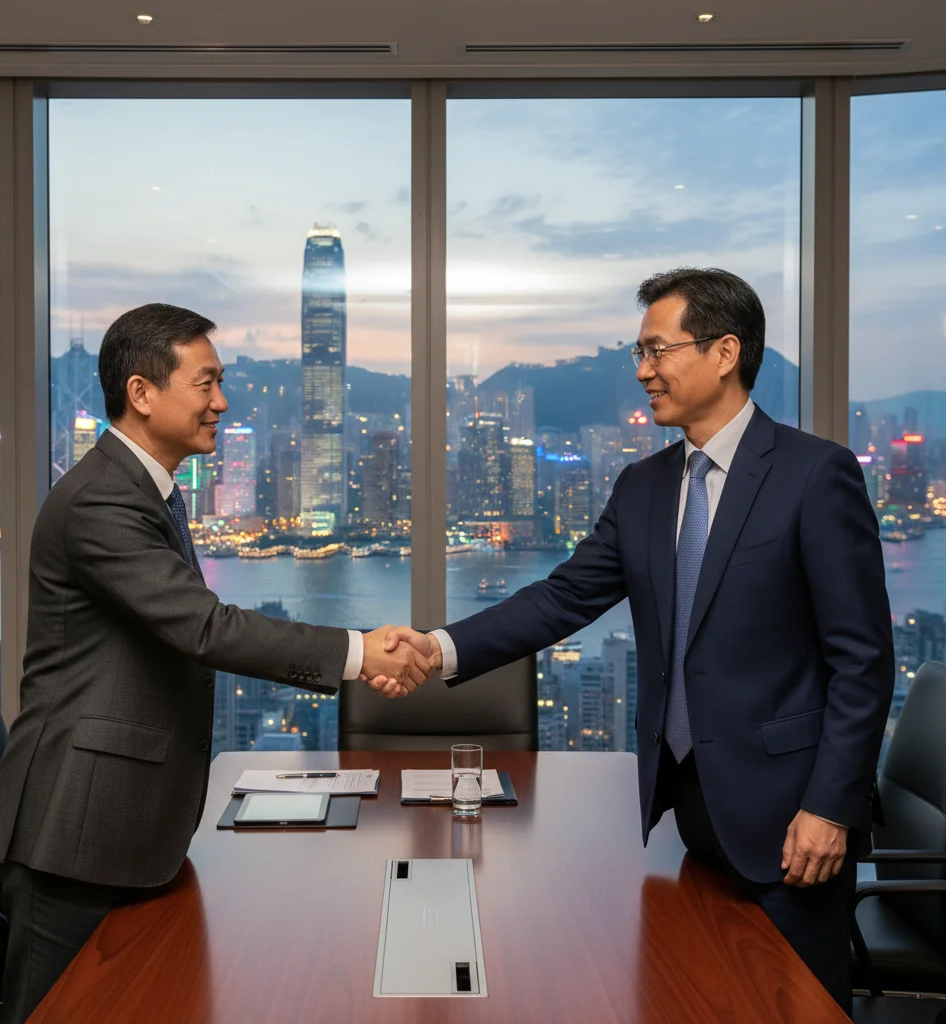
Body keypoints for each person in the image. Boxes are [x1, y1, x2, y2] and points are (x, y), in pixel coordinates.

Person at [377, 268, 894, 1012]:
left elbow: (863, 661)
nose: (643, 370)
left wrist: (830, 808)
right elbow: (562, 598)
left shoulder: (815, 476)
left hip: (793, 826)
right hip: (693, 819)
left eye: (658, 350)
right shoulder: (644, 487)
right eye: (638, 352)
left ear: (724, 352)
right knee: (696, 998)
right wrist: (437, 647)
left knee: (790, 1006)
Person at [0, 303, 430, 1023]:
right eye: (206, 383)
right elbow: (204, 627)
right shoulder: (103, 499)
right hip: (76, 830)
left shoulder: (149, 493)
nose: (221, 402)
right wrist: (357, 651)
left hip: (127, 822)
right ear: (141, 393)